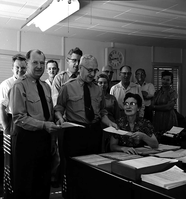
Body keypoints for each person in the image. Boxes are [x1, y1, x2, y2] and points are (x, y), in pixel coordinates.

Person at [54, 54, 117, 199]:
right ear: (80, 68)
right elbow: (58, 108)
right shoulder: (67, 87)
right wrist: (60, 119)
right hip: (75, 133)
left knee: (93, 171)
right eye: (89, 70)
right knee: (73, 171)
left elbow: (102, 112)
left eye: (95, 70)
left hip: (94, 133)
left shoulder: (98, 89)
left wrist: (110, 123)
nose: (93, 74)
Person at [9, 49, 62, 199]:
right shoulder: (19, 86)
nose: (39, 66)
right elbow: (19, 118)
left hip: (44, 141)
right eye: (35, 62)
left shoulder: (45, 87)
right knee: (26, 186)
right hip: (26, 141)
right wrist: (44, 125)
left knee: (43, 184)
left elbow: (49, 115)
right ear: (27, 63)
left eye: (41, 63)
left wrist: (52, 137)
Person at [0, 53, 27, 199]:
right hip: (11, 124)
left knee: (22, 160)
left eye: (23, 68)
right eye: (17, 67)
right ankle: (9, 194)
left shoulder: (28, 83)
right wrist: (6, 130)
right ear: (12, 68)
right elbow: (2, 109)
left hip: (26, 124)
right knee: (9, 162)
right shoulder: (6, 84)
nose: (20, 70)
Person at [97, 73, 120, 152]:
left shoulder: (112, 98)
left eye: (105, 82)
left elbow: (117, 114)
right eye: (100, 82)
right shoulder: (94, 98)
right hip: (98, 126)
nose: (103, 85)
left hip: (111, 126)